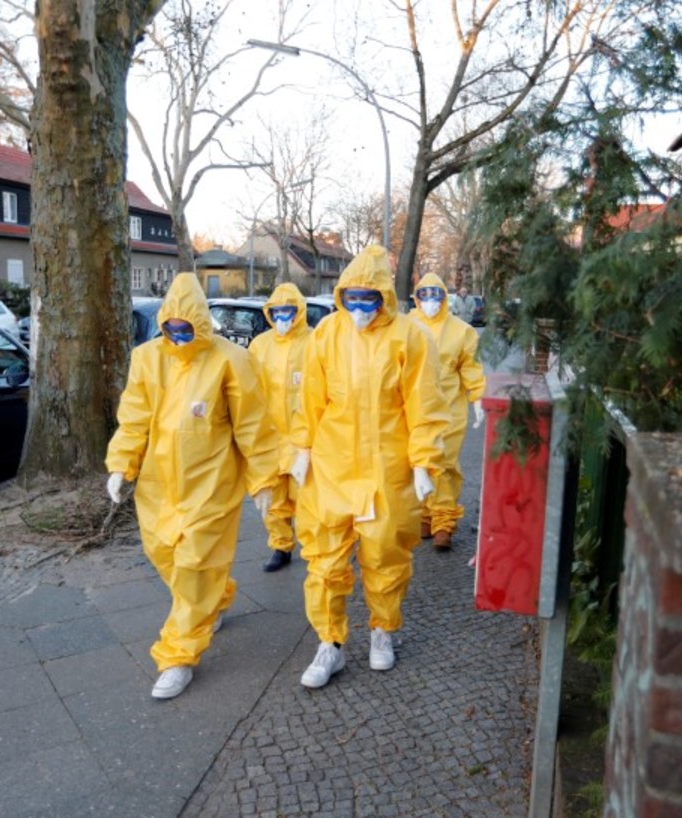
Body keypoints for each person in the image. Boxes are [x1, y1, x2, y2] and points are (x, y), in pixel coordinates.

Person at [106, 272, 277, 700]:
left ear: (201, 323)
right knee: (164, 553)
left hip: (212, 484)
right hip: (158, 485)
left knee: (195, 564)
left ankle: (178, 655)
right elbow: (134, 416)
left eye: (186, 329)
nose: (179, 337)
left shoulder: (230, 360)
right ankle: (216, 598)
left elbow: (253, 425)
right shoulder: (147, 358)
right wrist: (122, 464)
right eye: (172, 329)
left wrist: (263, 480)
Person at [289, 245, 449, 688]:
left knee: (385, 554)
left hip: (386, 467)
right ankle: (330, 643)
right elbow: (310, 399)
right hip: (332, 465)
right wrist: (301, 449)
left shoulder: (409, 337)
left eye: (368, 298)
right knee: (324, 559)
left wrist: (423, 463)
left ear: (384, 296)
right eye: (352, 298)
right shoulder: (327, 334)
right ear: (341, 296)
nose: (359, 307)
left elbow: (423, 405)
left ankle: (383, 630)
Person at [412, 273, 487, 550]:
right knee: (418, 463)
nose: (430, 301)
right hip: (415, 409)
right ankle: (423, 514)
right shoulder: (406, 326)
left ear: (445, 297)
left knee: (444, 464)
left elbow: (470, 366)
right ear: (417, 297)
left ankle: (443, 522)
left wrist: (477, 396)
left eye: (436, 295)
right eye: (425, 295)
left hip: (449, 410)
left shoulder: (461, 330)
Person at [248, 282, 312, 572]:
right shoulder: (260, 345)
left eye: (289, 310)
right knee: (273, 497)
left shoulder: (315, 341)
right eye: (277, 311)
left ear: (299, 311)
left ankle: (314, 549)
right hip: (271, 435)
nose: (283, 317)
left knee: (307, 497)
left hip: (304, 436)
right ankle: (281, 545)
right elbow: (249, 389)